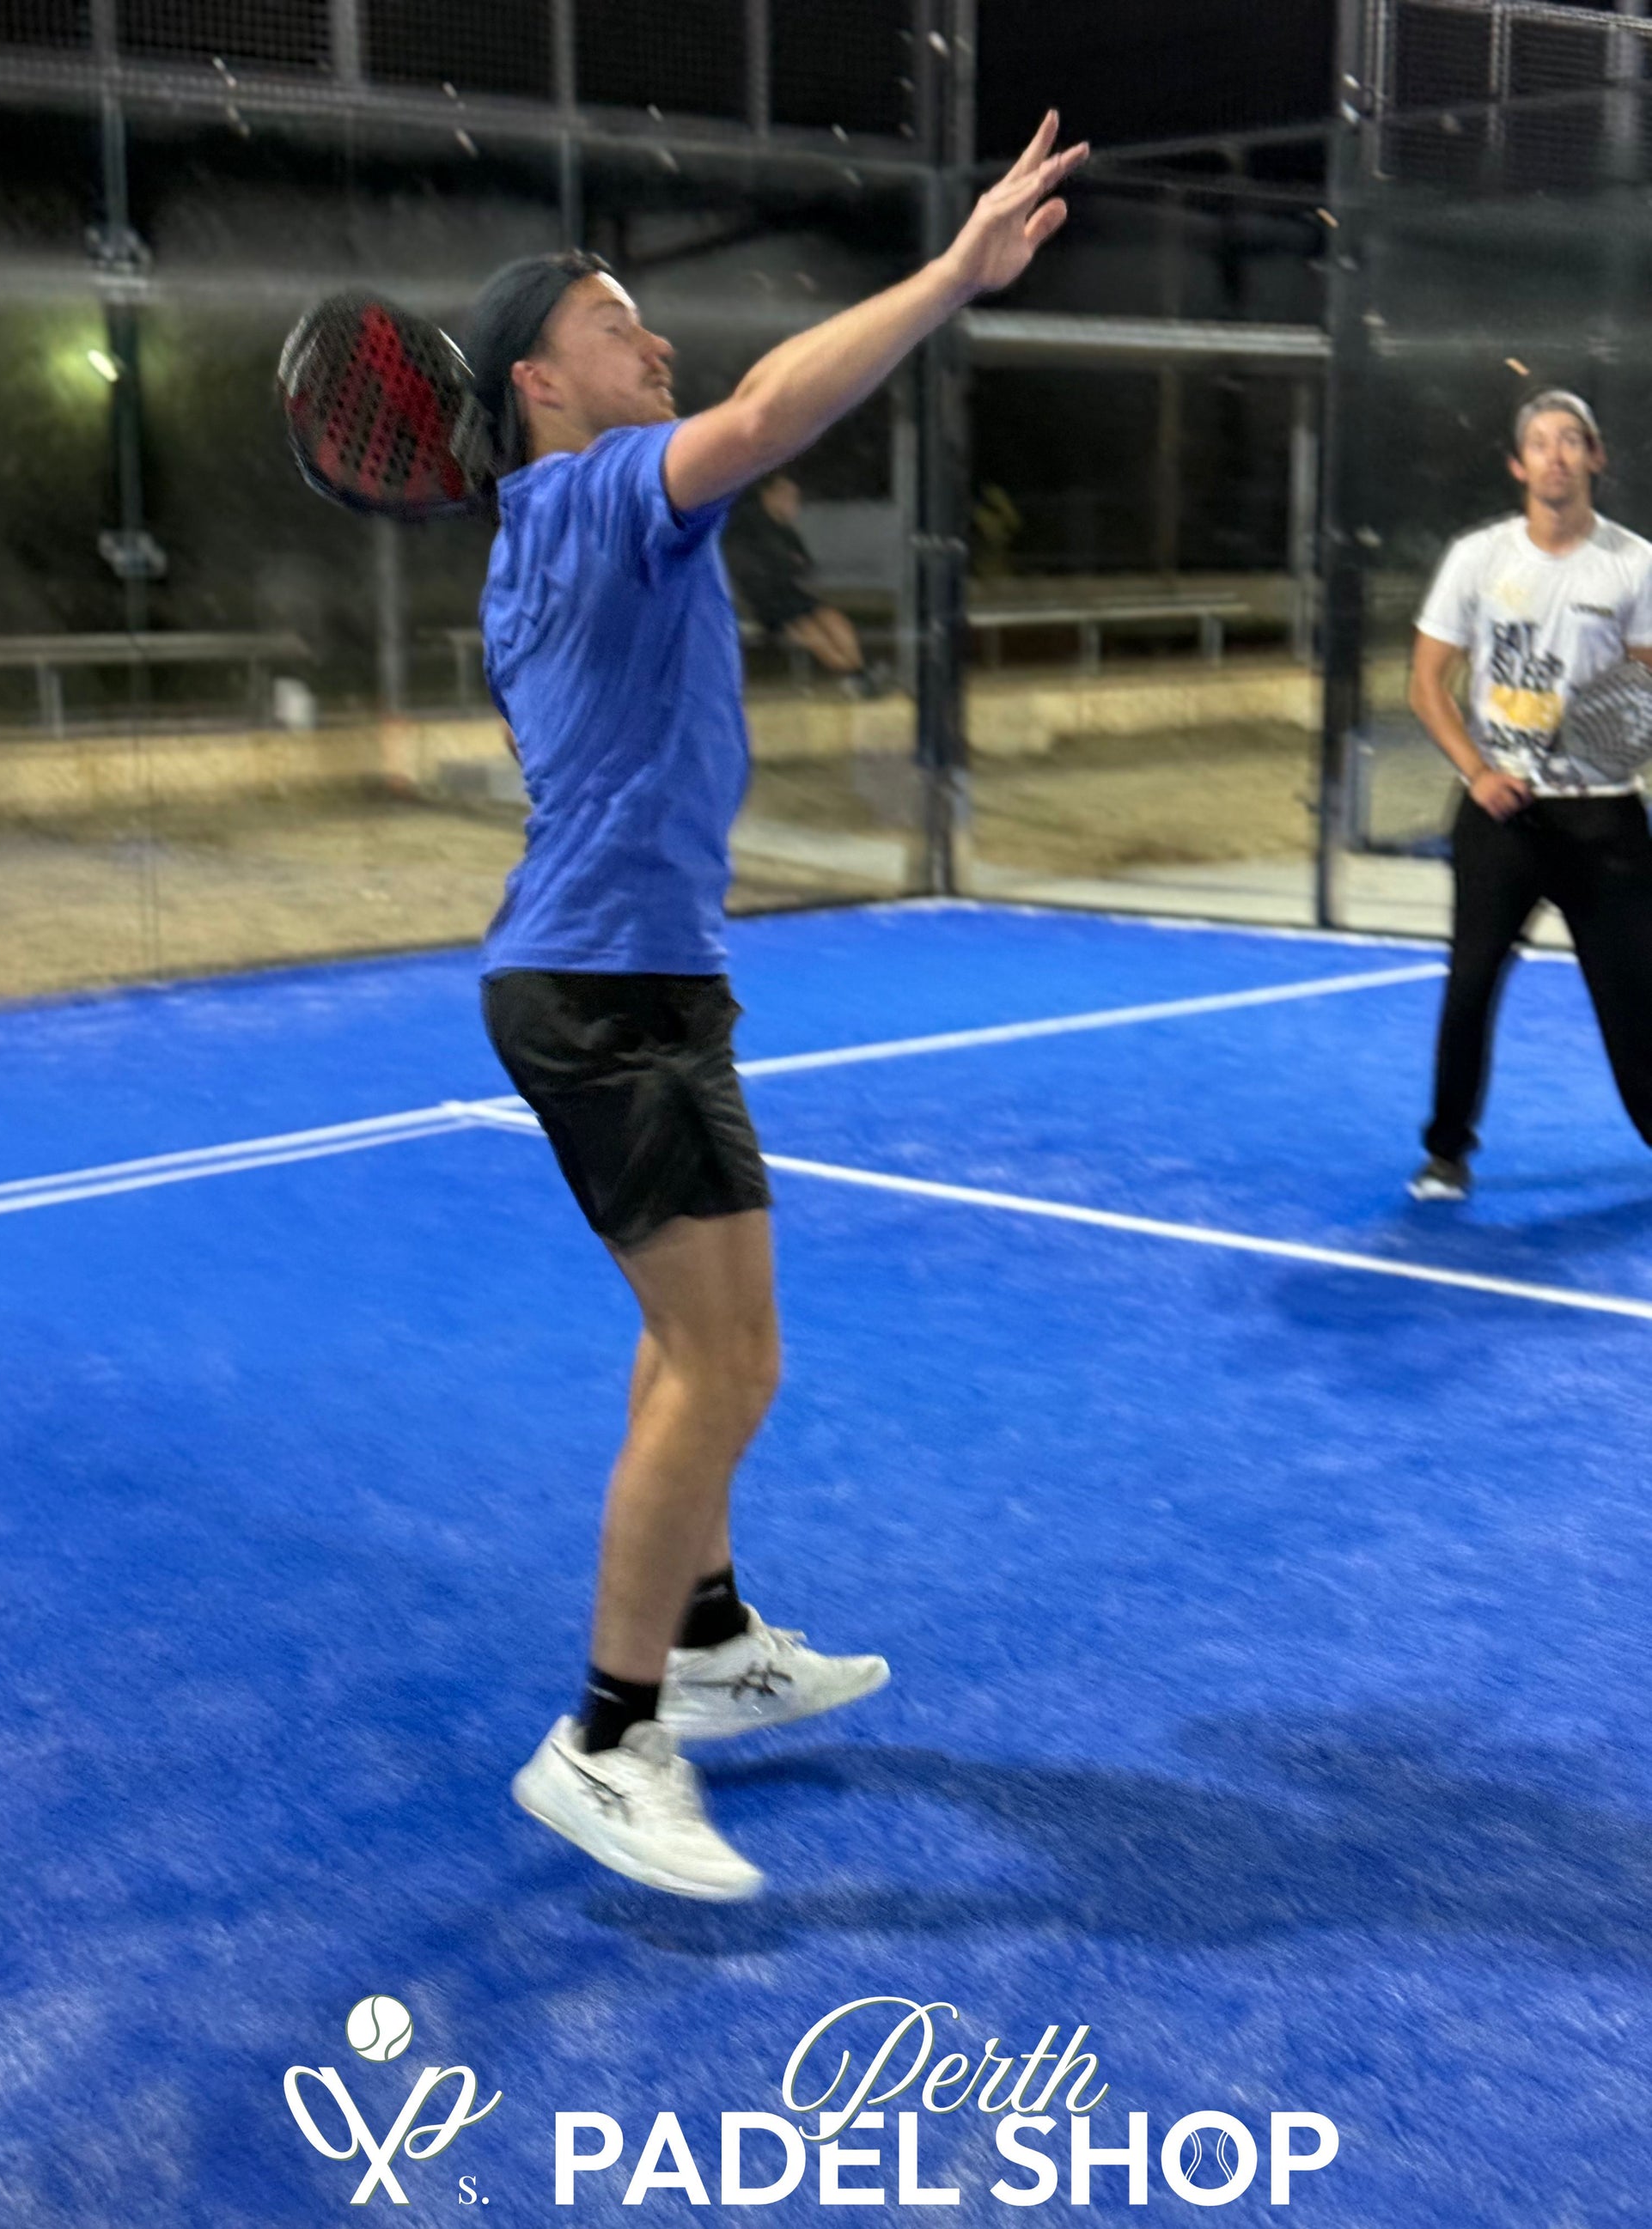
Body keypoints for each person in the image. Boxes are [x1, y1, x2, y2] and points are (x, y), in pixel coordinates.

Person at [462, 112, 1088, 1899]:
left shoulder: (574, 513)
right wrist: (952, 274)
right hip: (601, 990)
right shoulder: (587, 492)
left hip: (645, 973)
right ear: (540, 383)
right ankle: (604, 1740)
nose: (651, 339)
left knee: (702, 1350)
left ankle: (713, 1637)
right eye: (614, 325)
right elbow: (763, 416)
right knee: (728, 1361)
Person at [1407, 389, 1652, 1201]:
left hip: (1605, 819)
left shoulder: (1635, 564)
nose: (1556, 455)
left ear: (1595, 457)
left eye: (1572, 440)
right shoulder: (1477, 559)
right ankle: (1446, 1152)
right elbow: (1426, 683)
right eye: (1540, 443)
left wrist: (1604, 743)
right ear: (1518, 465)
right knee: (1469, 986)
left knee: (1635, 999)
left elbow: (1648, 688)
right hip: (1499, 816)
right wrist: (1477, 772)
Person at [723, 472, 879, 693]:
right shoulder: (745, 526)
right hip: (762, 601)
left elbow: (804, 564)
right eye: (787, 496)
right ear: (769, 496)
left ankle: (859, 670)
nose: (793, 502)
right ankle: (855, 674)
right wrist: (786, 564)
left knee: (832, 618)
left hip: (789, 593)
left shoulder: (783, 530)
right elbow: (756, 569)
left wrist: (789, 563)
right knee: (808, 630)